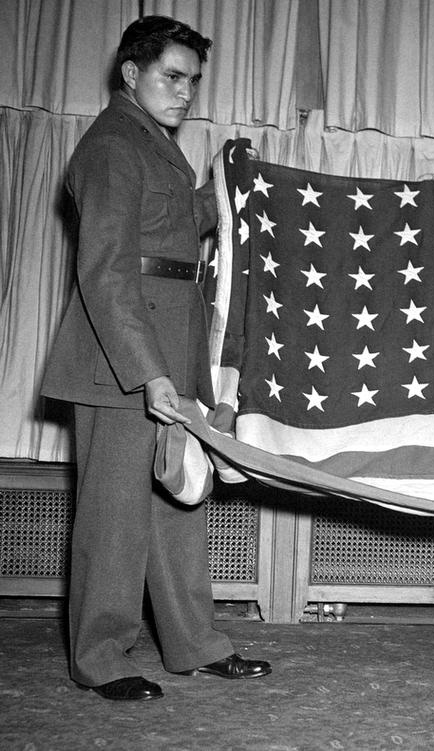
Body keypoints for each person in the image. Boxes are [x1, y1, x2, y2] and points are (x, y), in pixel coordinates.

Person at [41, 15, 270, 701]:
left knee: (179, 501)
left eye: (192, 81)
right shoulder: (113, 145)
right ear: (131, 74)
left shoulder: (151, 143)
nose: (185, 92)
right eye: (172, 77)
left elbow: (166, 231)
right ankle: (102, 656)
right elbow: (107, 271)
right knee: (114, 518)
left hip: (165, 345)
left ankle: (192, 643)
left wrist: (223, 189)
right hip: (118, 361)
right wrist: (148, 370)